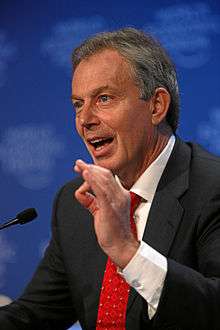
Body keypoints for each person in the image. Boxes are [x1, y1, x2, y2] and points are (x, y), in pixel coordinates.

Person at [1, 27, 220, 330]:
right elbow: (34, 315)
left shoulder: (212, 188)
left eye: (103, 99)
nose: (85, 120)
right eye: (78, 104)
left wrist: (128, 252)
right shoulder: (75, 202)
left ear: (156, 106)